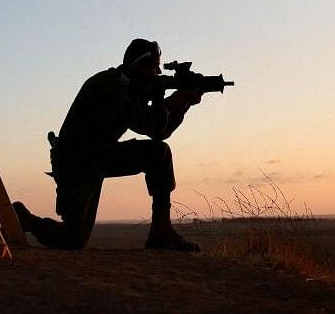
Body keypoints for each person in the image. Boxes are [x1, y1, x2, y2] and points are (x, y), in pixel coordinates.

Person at [12, 39, 204, 251]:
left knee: (159, 154)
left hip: (99, 156)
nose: (156, 74)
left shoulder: (128, 87)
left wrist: (182, 103)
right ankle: (26, 219)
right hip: (76, 164)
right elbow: (155, 129)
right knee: (72, 240)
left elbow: (160, 130)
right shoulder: (111, 87)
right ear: (137, 67)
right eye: (152, 69)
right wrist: (168, 100)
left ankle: (161, 231)